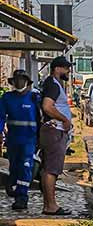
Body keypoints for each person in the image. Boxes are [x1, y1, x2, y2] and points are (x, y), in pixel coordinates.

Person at [0, 70, 41, 210]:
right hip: (12, 140)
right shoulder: (7, 98)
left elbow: (42, 118)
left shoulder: (34, 98)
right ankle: (13, 187)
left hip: (29, 141)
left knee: (25, 167)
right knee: (14, 168)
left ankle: (22, 198)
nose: (18, 82)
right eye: (16, 80)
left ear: (26, 82)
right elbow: (1, 117)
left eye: (21, 80)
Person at [39, 56, 74, 216]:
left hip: (54, 130)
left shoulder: (54, 84)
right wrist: (64, 119)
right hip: (54, 131)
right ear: (58, 68)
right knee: (52, 170)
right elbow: (47, 106)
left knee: (48, 169)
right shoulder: (53, 85)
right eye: (66, 68)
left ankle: (49, 205)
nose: (68, 71)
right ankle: (51, 206)